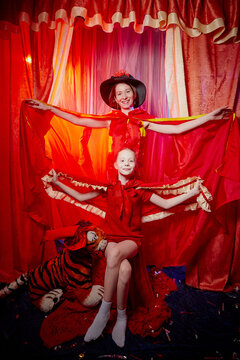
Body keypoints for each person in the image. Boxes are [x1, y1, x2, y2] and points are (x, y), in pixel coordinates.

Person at [50, 147, 201, 347]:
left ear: (135, 165)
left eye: (131, 161)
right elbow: (80, 196)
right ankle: (121, 316)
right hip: (111, 238)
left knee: (114, 255)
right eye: (123, 160)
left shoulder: (140, 190)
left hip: (131, 240)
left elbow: (166, 204)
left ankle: (104, 312)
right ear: (115, 165)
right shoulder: (108, 188)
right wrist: (57, 182)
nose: (127, 164)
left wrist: (193, 192)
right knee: (125, 270)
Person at [26, 71, 231, 165]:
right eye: (119, 94)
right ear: (114, 99)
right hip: (114, 171)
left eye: (127, 92)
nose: (123, 96)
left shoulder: (144, 120)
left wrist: (210, 117)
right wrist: (48, 108)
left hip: (138, 172)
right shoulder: (110, 120)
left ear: (134, 95)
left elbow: (177, 129)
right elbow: (78, 120)